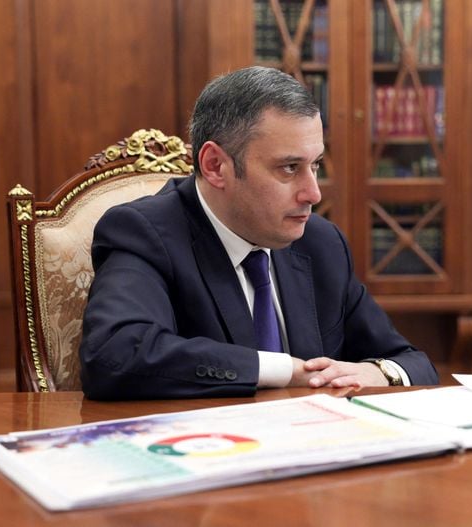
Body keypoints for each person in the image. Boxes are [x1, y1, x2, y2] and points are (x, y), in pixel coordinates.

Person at [79, 66, 439, 399]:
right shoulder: (145, 234)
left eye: (315, 165)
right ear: (215, 166)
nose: (313, 193)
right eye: (289, 168)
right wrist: (283, 370)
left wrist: (378, 373)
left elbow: (413, 362)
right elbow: (114, 354)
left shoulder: (321, 243)